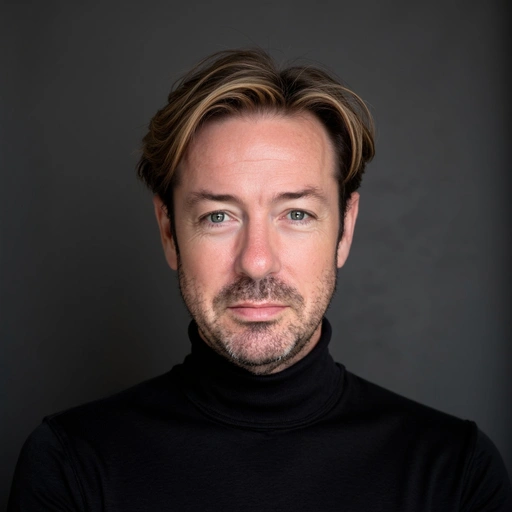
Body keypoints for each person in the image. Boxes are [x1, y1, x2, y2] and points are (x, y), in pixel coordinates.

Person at [8, 48, 511, 511]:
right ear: (168, 231)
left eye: (296, 214)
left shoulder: (454, 472)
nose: (256, 262)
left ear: (345, 229)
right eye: (218, 216)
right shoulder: (71, 465)